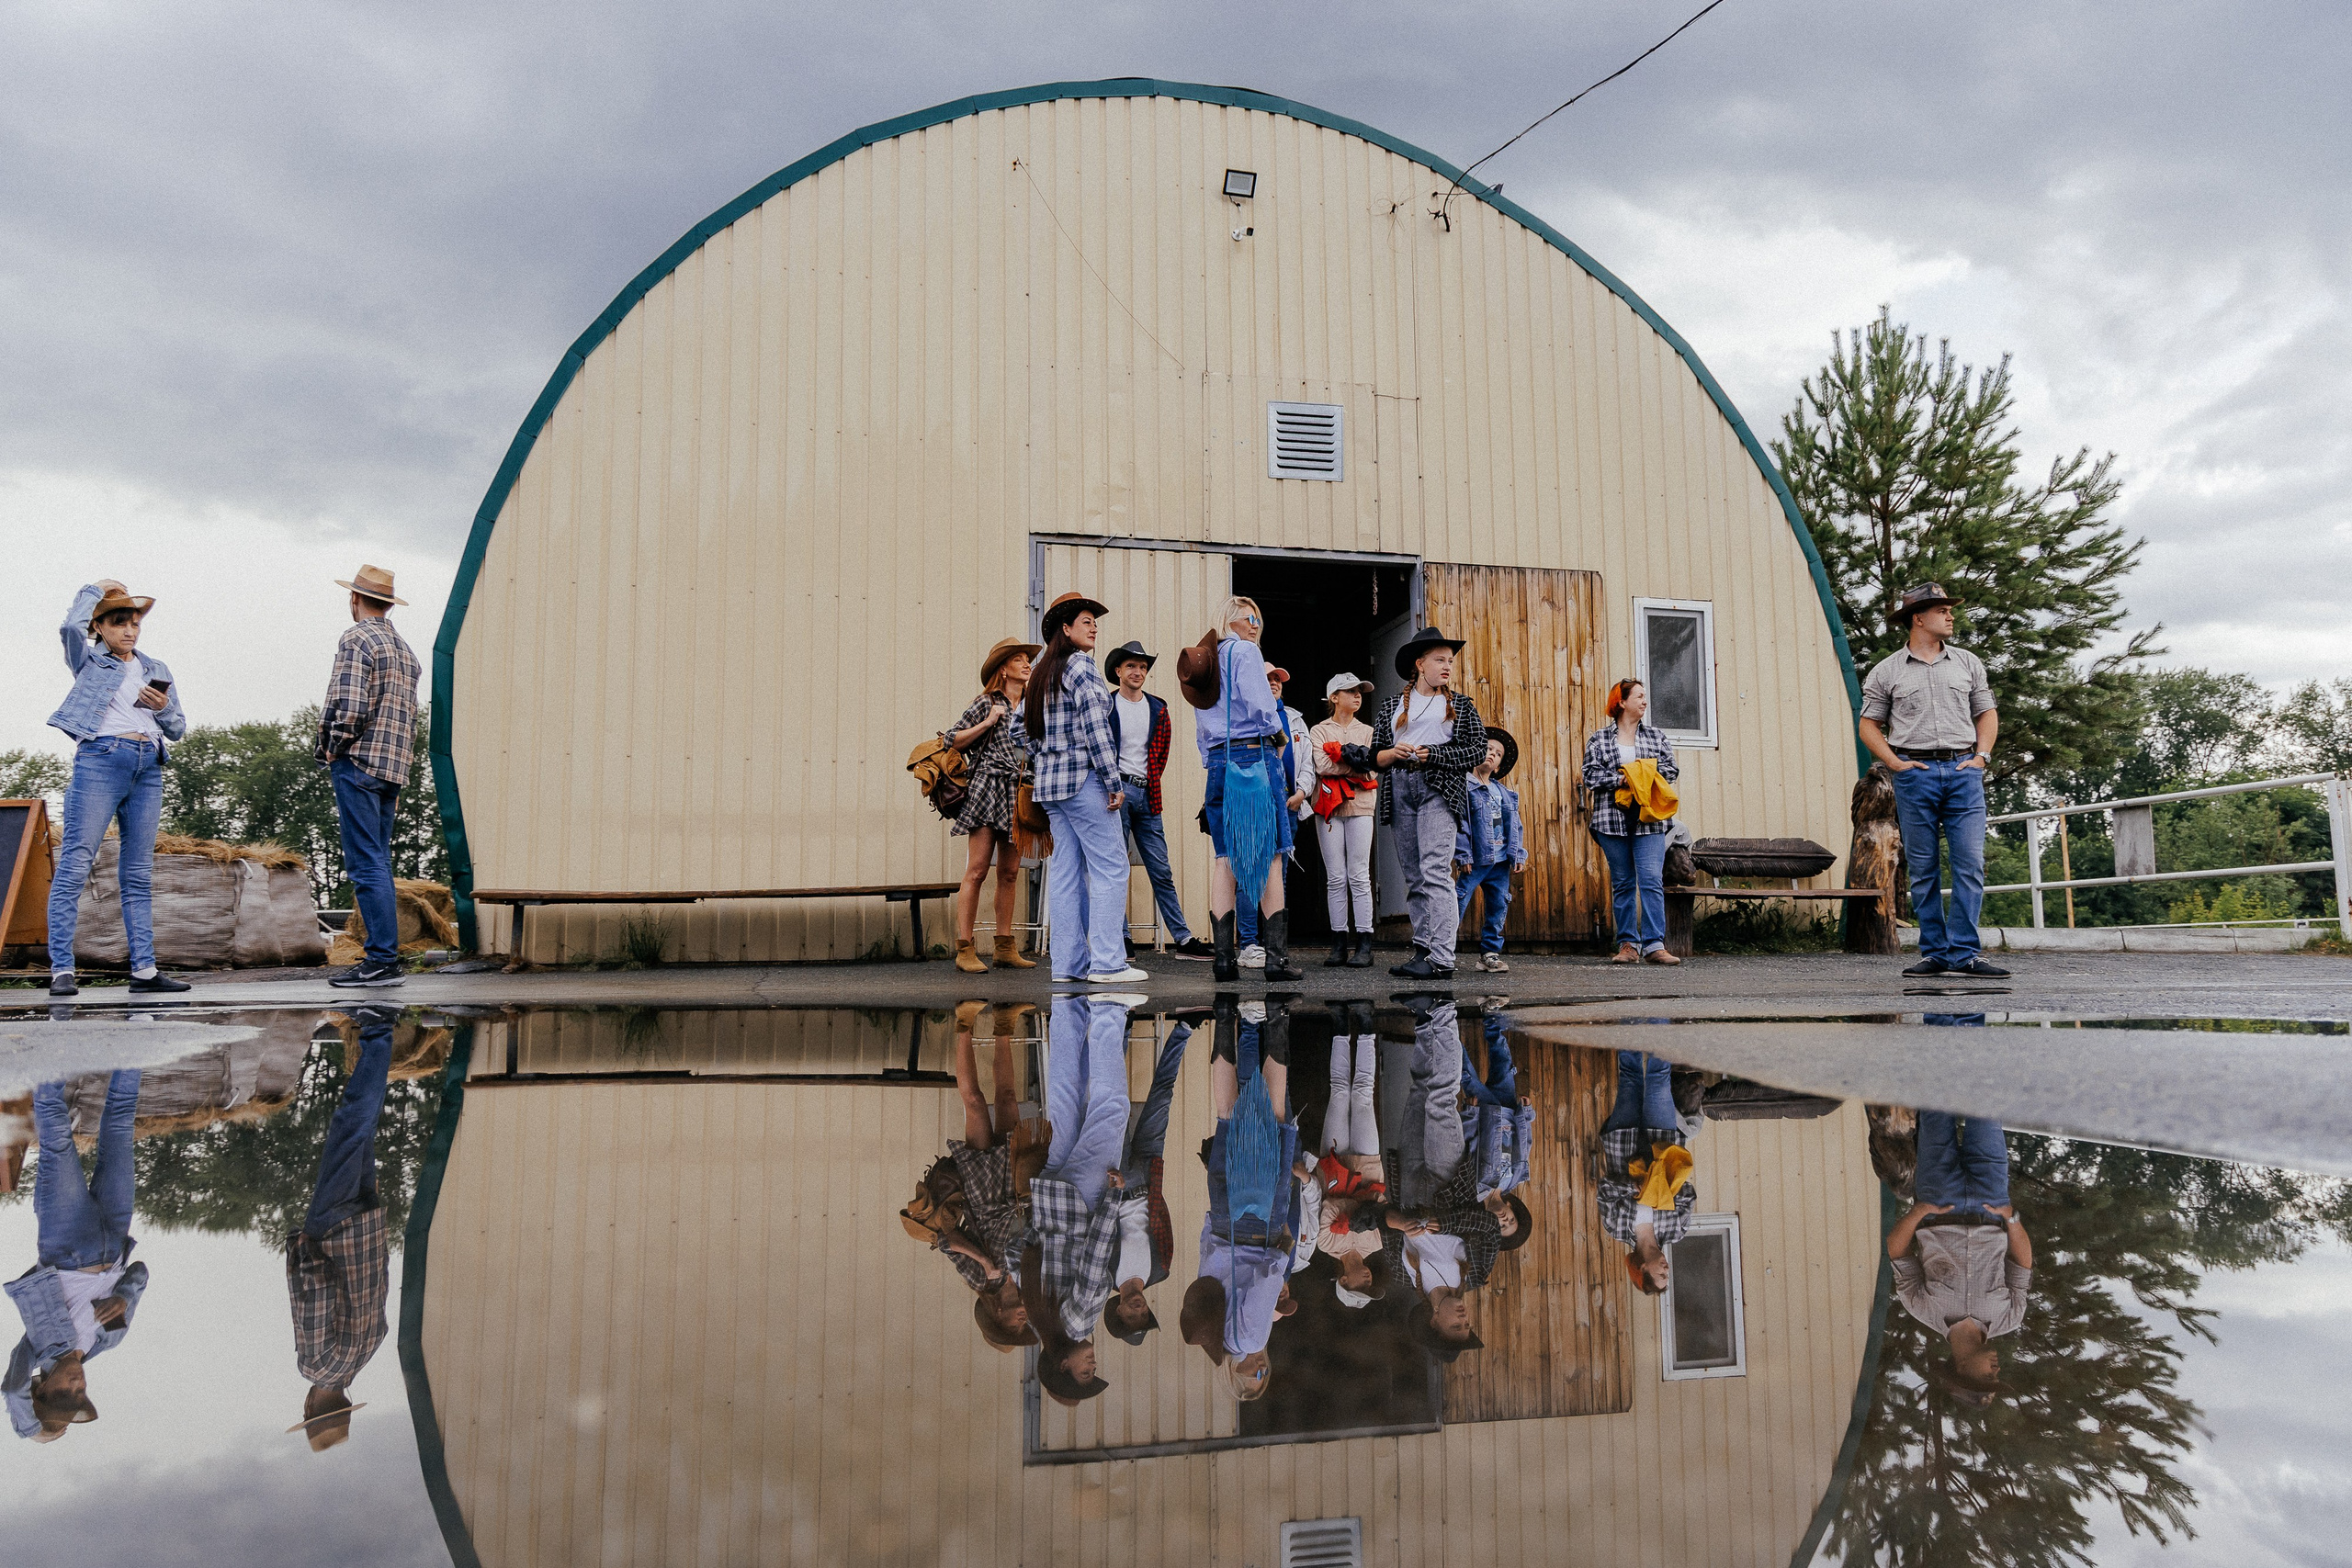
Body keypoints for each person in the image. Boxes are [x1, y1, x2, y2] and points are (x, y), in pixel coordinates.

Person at [44, 581, 191, 998]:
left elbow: (179, 729)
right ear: (100, 627)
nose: (129, 630)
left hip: (149, 766)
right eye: (118, 622)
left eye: (134, 622)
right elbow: (69, 628)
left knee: (138, 874)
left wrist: (162, 710)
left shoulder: (157, 669)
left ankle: (144, 970)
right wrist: (94, 589)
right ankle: (62, 970)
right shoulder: (89, 663)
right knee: (75, 863)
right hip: (101, 761)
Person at [1860, 582, 2009, 979]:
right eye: (1942, 610)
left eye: (1950, 609)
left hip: (1963, 773)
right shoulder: (1887, 671)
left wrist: (1981, 757)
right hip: (1916, 775)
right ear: (1918, 618)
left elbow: (1987, 714)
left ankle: (1966, 954)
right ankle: (1935, 953)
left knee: (1970, 864)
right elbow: (1868, 725)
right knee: (1924, 869)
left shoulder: (1968, 663)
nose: (1951, 615)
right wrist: (1894, 763)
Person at [5, 1071, 149, 1441]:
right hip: (114, 1234)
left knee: (56, 1135)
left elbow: (10, 1390)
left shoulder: (37, 1348)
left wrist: (33, 1429)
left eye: (63, 1392)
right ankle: (138, 1031)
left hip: (64, 1241)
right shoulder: (108, 1340)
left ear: (41, 1386)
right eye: (80, 1393)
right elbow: (140, 1272)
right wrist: (123, 1297)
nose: (76, 1385)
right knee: (119, 1123)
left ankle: (59, 1024)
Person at [1176, 599, 1304, 983]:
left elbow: (1201, 727)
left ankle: (1223, 960)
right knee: (1273, 855)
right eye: (1251, 618)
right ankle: (1276, 960)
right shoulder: (1245, 651)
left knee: (1225, 858)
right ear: (1230, 619)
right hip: (1254, 757)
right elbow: (1261, 705)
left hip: (1219, 761)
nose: (1256, 625)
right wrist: (1278, 738)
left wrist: (1213, 759)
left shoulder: (1206, 660)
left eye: (1258, 619)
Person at [287, 1006, 397, 1450]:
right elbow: (311, 1287)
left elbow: (380, 1286)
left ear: (346, 1403)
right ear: (311, 1408)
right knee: (349, 1124)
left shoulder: (366, 1354)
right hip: (332, 1231)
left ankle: (378, 1036)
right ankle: (378, 1029)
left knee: (363, 1129)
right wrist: (300, 1245)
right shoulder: (315, 1365)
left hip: (368, 1227)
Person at [1180, 996, 1300, 1400]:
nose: (1260, 1369)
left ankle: (1280, 1018)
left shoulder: (1249, 1338)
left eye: (1254, 1376)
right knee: (1227, 1119)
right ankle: (1224, 1015)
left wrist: (1285, 1249)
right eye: (1263, 1376)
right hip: (1221, 1221)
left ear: (1238, 1373)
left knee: (1275, 1121)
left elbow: (1268, 1283)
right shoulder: (1214, 1334)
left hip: (1259, 1228)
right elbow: (1203, 1266)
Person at [1025, 592, 1147, 985]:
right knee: (1111, 868)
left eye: (1095, 621)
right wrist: (1114, 782)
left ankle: (1067, 965)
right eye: (1085, 621)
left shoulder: (1040, 672)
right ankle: (1109, 963)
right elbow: (1096, 727)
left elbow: (1016, 729)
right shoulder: (1082, 667)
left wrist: (1046, 755)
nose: (1094, 626)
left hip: (1051, 789)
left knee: (1065, 874)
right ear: (1066, 629)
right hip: (1084, 782)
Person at [1025, 995, 1137, 1404]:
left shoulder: (1076, 1321)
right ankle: (1066, 1001)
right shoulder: (1039, 1316)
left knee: (1111, 1108)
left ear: (1062, 1365)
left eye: (1085, 1372)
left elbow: (1094, 1258)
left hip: (1085, 1198)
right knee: (1065, 1099)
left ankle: (1109, 1008)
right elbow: (1019, 1250)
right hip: (1050, 1195)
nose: (1092, 1364)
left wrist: (1113, 1199)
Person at [316, 564, 424, 989]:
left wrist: (333, 746)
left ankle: (381, 960)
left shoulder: (356, 638)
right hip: (392, 769)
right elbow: (409, 717)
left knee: (365, 864)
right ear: (389, 604)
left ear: (354, 599)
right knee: (378, 861)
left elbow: (350, 704)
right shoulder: (406, 651)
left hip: (358, 763)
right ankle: (384, 957)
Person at [1380, 995, 1497, 1363]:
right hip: (1449, 1179)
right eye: (1468, 1326)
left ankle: (1424, 1018)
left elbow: (1383, 1225)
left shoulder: (1402, 1271)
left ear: (1434, 1322)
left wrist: (1399, 1222)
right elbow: (1489, 1227)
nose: (1465, 1320)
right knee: (1442, 1099)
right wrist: (1446, 1222)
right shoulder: (1476, 1274)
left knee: (1418, 1092)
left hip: (1410, 1184)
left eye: (1456, 1327)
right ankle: (1444, 1013)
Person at [1369, 627, 1488, 980]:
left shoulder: (1461, 705)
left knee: (1436, 871)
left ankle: (1442, 957)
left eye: (1450, 661)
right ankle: (1422, 950)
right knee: (1414, 876)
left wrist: (1433, 754)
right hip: (1400, 786)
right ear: (1420, 664)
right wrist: (1392, 753)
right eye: (1440, 660)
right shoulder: (1392, 706)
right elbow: (1375, 754)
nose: (1448, 666)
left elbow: (1477, 750)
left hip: (1439, 787)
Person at [938, 1001, 1037, 1352]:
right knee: (1009, 1100)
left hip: (984, 1192)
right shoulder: (1030, 1282)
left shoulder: (980, 1280)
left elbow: (947, 1241)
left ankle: (964, 1023)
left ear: (997, 1315)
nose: (1022, 1321)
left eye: (1013, 1326)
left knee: (976, 1103)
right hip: (1015, 1189)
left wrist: (985, 1261)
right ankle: (1004, 1024)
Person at [1103, 641, 1212, 960]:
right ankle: (1121, 937)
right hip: (1115, 792)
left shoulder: (1158, 708)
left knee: (1160, 869)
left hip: (1147, 793)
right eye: (1131, 666)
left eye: (1142, 667)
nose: (1138, 672)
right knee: (1116, 868)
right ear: (1118, 671)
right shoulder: (1107, 705)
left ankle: (1183, 938)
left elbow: (1159, 756)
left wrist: (1146, 784)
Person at [944, 637, 1040, 974]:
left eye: (1028, 659)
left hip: (1018, 791)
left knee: (1011, 872)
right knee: (977, 869)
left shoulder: (1034, 704)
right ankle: (965, 948)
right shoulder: (986, 703)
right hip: (987, 787)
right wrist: (987, 722)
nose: (1027, 664)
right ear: (1003, 669)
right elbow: (950, 739)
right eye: (1019, 659)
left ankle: (1004, 947)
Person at [1102, 1014, 1197, 1345]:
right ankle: (1185, 1029)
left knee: (1115, 1101)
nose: (1139, 1310)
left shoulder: (1106, 1273)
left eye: (1132, 1316)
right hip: (1145, 1175)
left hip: (1114, 1181)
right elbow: (1162, 1217)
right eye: (1144, 1315)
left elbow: (1098, 1225)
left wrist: (1114, 1189)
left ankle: (1121, 1027)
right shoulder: (1161, 1268)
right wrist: (1146, 1184)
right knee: (1162, 1098)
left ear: (1117, 1311)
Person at [1581, 679, 1681, 965]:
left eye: (1645, 696)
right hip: (1610, 819)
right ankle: (1627, 945)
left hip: (1649, 818)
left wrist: (1641, 774)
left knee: (1651, 879)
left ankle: (1655, 944)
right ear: (1621, 702)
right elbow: (1590, 775)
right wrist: (1624, 778)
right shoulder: (1599, 739)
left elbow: (1671, 771)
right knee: (1623, 882)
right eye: (1638, 696)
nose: (1644, 701)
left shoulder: (1656, 736)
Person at [1597, 1049, 1695, 1294]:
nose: (1666, 1268)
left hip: (1623, 1139)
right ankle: (1657, 1019)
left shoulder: (1615, 1227)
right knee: (1660, 1079)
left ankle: (1630, 1019)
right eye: (1668, 1274)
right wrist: (1667, 1190)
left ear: (1642, 1269)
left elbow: (1605, 1190)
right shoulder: (1676, 1230)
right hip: (1662, 1139)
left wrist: (1633, 1187)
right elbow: (1689, 1195)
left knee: (1629, 1077)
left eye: (1661, 1274)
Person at [1236, 666, 1314, 968]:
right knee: (1249, 873)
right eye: (1267, 679)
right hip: (1256, 802)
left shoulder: (1294, 718)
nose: (1274, 684)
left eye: (1277, 679)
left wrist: (1303, 791)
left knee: (1278, 876)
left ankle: (1274, 945)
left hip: (1288, 803)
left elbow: (1307, 759)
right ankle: (1248, 944)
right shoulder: (1247, 716)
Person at [1313, 999, 1387, 1304]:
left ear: (1343, 1280)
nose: (1367, 1282)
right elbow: (1380, 1202)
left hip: (1334, 1165)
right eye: (1370, 1287)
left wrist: (1355, 1208)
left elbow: (1329, 1206)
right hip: (1368, 1167)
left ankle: (1341, 1025)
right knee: (1364, 1096)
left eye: (1360, 1287)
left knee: (1340, 1092)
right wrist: (1357, 1208)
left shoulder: (1326, 1243)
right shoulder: (1378, 1243)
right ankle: (1367, 1025)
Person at [1309, 674, 1378, 968]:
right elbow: (1321, 765)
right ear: (1334, 697)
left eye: (1359, 692)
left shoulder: (1369, 730)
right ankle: (1338, 943)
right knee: (1336, 876)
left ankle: (1365, 943)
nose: (1357, 696)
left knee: (1359, 875)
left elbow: (1372, 771)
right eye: (1350, 691)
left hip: (1361, 806)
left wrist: (1346, 759)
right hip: (1329, 807)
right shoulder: (1319, 730)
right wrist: (1356, 759)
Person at [1453, 729, 1526, 975]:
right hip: (1476, 858)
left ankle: (1490, 954)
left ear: (1497, 766)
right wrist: (1463, 855)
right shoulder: (1464, 786)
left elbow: (1515, 825)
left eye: (1498, 754)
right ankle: (1442, 949)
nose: (1492, 755)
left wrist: (1519, 854)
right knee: (1459, 900)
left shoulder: (1503, 792)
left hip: (1501, 861)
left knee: (1498, 906)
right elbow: (1460, 822)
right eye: (1488, 749)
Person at [1461, 1007, 1534, 1250]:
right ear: (1513, 1209)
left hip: (1486, 1114)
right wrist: (1527, 1115)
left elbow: (1469, 1146)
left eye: (1502, 1226)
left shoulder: (1475, 1187)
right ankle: (1491, 1016)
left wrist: (1470, 1116)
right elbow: (1525, 1145)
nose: (1505, 1219)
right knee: (1503, 1062)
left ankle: (1443, 1021)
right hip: (1509, 1111)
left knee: (1464, 1074)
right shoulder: (1515, 1179)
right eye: (1511, 1220)